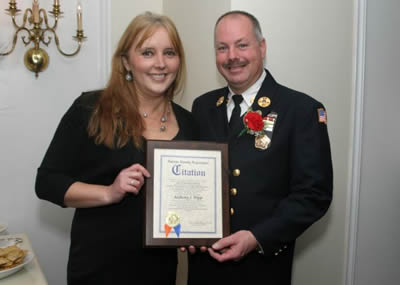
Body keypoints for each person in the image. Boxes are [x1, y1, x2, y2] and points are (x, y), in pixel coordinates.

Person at [35, 12, 197, 285]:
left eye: (169, 53)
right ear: (126, 62)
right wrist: (109, 192)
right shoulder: (91, 109)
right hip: (98, 267)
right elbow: (47, 183)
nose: (160, 64)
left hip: (160, 271)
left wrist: (193, 231)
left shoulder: (190, 124)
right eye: (147, 53)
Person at [188, 10, 333, 285]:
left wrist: (256, 237)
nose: (232, 56)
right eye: (222, 48)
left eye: (242, 44)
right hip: (204, 267)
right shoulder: (202, 106)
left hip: (262, 269)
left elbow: (314, 194)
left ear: (262, 47)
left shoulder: (300, 110)